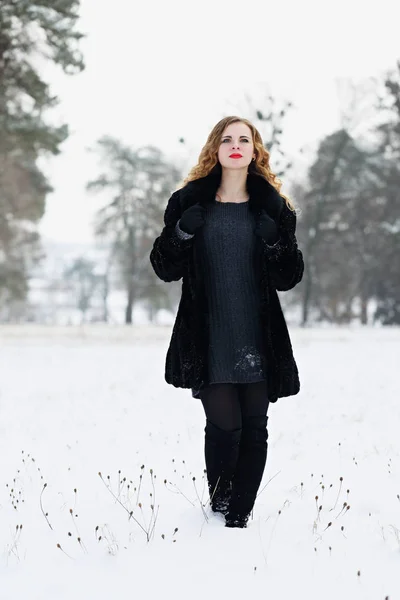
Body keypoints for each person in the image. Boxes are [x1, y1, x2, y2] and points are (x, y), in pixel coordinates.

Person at [150, 116, 304, 528]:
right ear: (215, 149)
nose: (236, 145)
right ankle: (220, 506)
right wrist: (181, 232)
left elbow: (289, 278)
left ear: (255, 151)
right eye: (227, 139)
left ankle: (239, 517)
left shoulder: (274, 208)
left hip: (258, 334)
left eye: (244, 139)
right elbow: (164, 268)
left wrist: (275, 240)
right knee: (224, 427)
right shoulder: (187, 203)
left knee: (255, 428)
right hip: (208, 335)